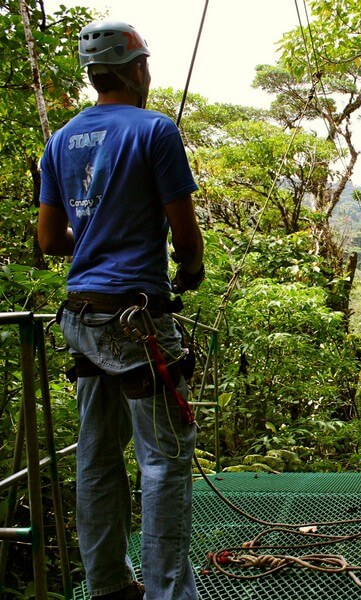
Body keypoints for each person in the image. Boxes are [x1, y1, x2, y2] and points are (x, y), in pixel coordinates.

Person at [38, 21, 204, 600]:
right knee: (163, 460)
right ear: (137, 70)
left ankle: (108, 583)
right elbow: (186, 234)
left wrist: (93, 240)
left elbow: (50, 239)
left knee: (97, 454)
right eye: (146, 66)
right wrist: (189, 270)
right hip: (137, 321)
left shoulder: (60, 141)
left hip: (83, 319)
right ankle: (167, 593)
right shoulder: (156, 130)